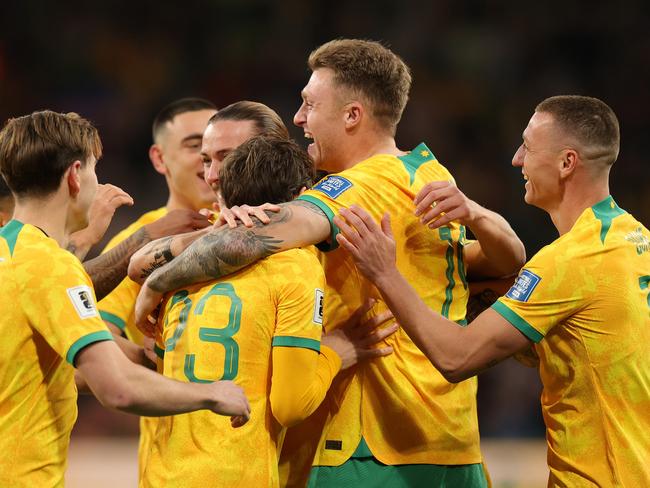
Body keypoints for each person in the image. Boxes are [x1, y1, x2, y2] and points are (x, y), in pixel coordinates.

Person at [135, 39, 525, 487]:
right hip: (451, 441)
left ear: (352, 115)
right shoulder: (428, 174)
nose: (299, 119)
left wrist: (155, 275)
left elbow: (259, 236)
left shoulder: (358, 188)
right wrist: (480, 214)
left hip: (370, 448)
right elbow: (503, 261)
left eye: (308, 105)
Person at [334, 95, 650, 486]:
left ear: (567, 163)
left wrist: (385, 272)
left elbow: (456, 358)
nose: (517, 159)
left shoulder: (569, 261)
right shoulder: (635, 241)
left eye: (528, 147)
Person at [0, 110, 250, 488]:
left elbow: (41, 360)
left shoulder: (11, 251)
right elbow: (117, 388)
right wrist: (213, 394)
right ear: (75, 175)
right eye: (95, 172)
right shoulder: (50, 266)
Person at [141, 135, 396, 487]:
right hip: (235, 475)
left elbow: (160, 370)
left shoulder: (180, 275)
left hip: (162, 473)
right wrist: (337, 351)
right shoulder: (295, 266)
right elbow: (290, 405)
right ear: (304, 194)